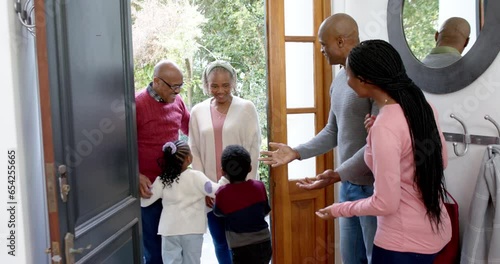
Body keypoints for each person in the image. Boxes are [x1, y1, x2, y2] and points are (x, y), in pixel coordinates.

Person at [316, 39, 451, 264]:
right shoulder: (423, 108)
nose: (346, 81)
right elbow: (442, 161)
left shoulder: (386, 125)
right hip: (435, 233)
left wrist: (339, 209)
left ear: (365, 80)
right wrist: (374, 135)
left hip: (401, 244)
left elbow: (385, 203)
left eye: (348, 75)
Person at [259, 13, 377, 264]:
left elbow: (376, 142)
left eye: (324, 44)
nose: (321, 50)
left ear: (342, 41)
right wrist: (296, 152)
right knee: (351, 259)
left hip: (375, 189)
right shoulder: (339, 80)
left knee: (375, 258)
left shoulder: (374, 79)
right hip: (347, 186)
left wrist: (337, 173)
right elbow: (333, 131)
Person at [189, 59, 261, 264]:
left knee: (241, 242)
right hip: (211, 192)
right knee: (219, 241)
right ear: (206, 84)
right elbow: (194, 151)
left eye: (225, 85)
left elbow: (253, 149)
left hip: (238, 190)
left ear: (233, 83)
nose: (220, 90)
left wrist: (244, 187)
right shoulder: (197, 111)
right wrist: (205, 189)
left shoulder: (246, 108)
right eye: (214, 85)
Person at [136, 60, 190, 263]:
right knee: (154, 250)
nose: (177, 92)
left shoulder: (178, 101)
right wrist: (135, 174)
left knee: (179, 246)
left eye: (180, 86)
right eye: (173, 86)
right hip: (149, 190)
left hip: (175, 187)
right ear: (156, 81)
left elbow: (191, 128)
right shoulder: (138, 104)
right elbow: (119, 148)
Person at [141, 140, 226, 264]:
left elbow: (145, 202)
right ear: (188, 159)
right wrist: (224, 178)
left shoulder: (162, 180)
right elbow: (216, 191)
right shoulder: (197, 177)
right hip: (193, 230)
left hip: (169, 231)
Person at [213, 145, 272, 264]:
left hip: (241, 248)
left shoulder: (222, 193)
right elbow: (265, 210)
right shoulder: (259, 186)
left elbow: (218, 212)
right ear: (250, 168)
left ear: (223, 171)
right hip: (264, 243)